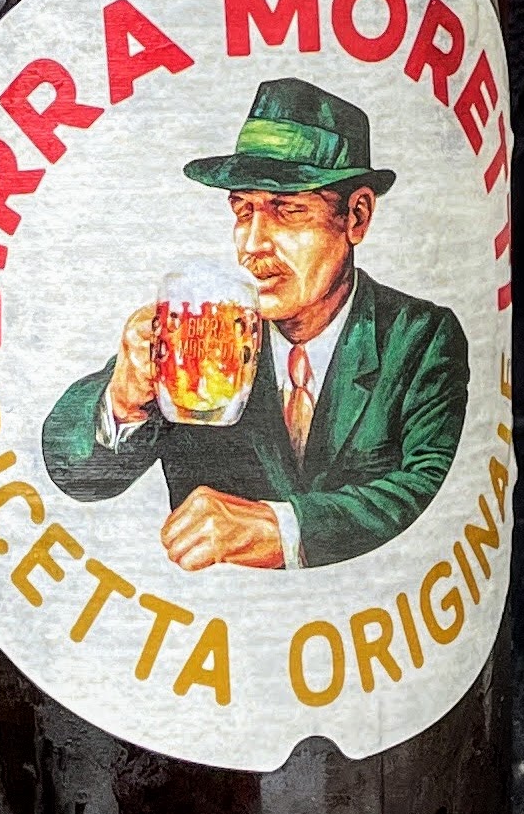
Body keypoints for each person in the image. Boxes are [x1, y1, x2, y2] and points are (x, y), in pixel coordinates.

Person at [40, 80, 469, 572]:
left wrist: (281, 528)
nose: (253, 244)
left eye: (287, 210)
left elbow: (430, 488)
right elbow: (77, 474)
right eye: (243, 211)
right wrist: (121, 399)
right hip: (212, 629)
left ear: (356, 216)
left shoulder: (421, 337)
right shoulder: (207, 329)